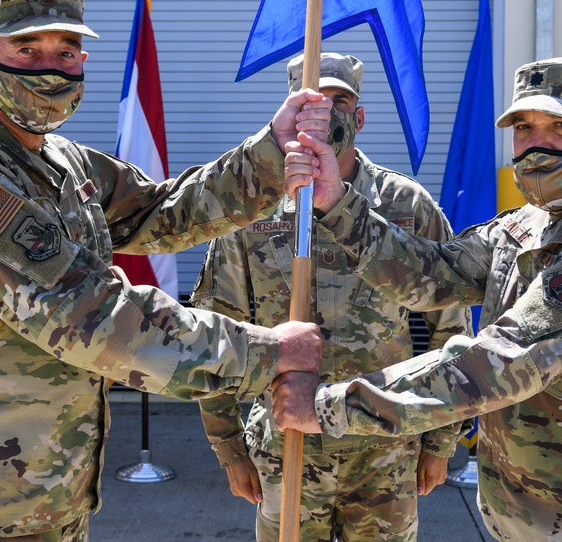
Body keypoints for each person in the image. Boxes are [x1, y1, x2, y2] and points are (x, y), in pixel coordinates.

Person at [0, 0, 328, 542]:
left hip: (34, 499)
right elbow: (93, 319)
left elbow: (160, 209)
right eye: (26, 48)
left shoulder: (51, 158)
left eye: (67, 49)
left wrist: (271, 152)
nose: (51, 66)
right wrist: (268, 351)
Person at [274, 57, 562, 541]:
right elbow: (433, 273)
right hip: (535, 519)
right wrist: (336, 201)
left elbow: (499, 363)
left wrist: (325, 406)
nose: (537, 144)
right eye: (524, 127)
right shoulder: (534, 221)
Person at [192, 52, 472, 541]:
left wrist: (440, 442)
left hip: (385, 447)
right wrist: (229, 448)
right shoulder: (253, 206)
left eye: (339, 100)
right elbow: (217, 331)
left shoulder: (406, 206)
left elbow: (451, 329)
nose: (325, 113)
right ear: (291, 112)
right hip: (288, 448)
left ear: (359, 117)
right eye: (312, 101)